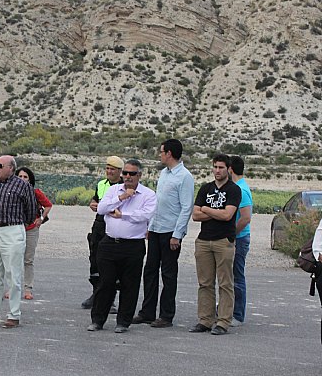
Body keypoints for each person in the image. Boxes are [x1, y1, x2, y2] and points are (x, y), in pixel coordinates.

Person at [87, 159, 156, 333]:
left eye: (132, 174)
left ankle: (123, 321)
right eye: (125, 173)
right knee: (105, 282)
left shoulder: (148, 195)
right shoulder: (113, 190)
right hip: (110, 243)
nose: (127, 177)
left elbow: (145, 215)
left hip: (133, 246)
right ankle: (97, 320)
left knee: (129, 284)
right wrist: (122, 197)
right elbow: (102, 208)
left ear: (139, 175)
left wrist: (123, 214)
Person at [133, 139, 194, 328]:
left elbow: (186, 207)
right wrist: (149, 226)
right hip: (156, 228)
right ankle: (147, 312)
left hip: (170, 232)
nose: (159, 155)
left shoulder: (185, 176)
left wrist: (178, 234)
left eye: (161, 152)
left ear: (169, 153)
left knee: (168, 274)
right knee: (150, 270)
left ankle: (166, 315)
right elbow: (157, 203)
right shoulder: (164, 174)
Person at [0, 155, 37, 329]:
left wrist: (18, 225)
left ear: (11, 168)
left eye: (0, 166)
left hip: (12, 229)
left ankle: (14, 315)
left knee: (13, 273)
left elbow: (31, 211)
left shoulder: (23, 186)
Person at [190, 154, 241, 336]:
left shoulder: (234, 190)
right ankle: (205, 319)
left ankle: (223, 321)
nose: (217, 170)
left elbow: (228, 216)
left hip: (223, 240)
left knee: (225, 283)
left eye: (221, 167)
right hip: (204, 240)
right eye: (215, 167)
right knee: (205, 282)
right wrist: (215, 212)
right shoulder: (205, 189)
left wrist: (206, 209)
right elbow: (195, 215)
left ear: (228, 169)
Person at [82, 155, 124, 310]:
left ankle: (110, 300)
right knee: (95, 261)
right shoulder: (101, 184)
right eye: (107, 168)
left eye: (112, 169)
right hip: (99, 224)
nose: (109, 171)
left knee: (110, 264)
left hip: (114, 225)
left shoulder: (124, 186)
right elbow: (96, 199)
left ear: (120, 171)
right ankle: (96, 294)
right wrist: (93, 204)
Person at [15, 167, 52, 300]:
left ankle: (28, 288)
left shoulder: (36, 192)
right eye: (20, 176)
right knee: (13, 259)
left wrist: (40, 219)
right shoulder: (12, 191)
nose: (22, 179)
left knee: (28, 260)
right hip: (15, 228)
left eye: (25, 177)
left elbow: (48, 205)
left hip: (31, 229)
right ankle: (12, 288)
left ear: (30, 179)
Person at [230, 155, 253, 327]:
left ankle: (237, 314)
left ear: (230, 169)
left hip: (239, 238)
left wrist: (232, 234)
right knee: (229, 276)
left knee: (237, 276)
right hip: (236, 237)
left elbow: (245, 218)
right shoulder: (236, 187)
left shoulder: (241, 190)